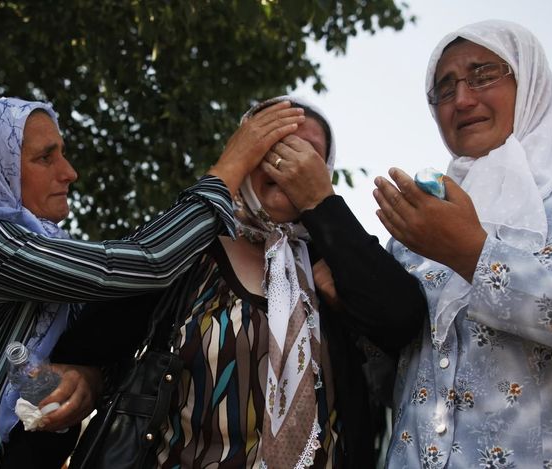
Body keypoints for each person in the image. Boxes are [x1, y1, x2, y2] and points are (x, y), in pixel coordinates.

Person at [0, 96, 304, 469]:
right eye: (46, 157)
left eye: (62, 153)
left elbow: (47, 361)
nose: (69, 172)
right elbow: (146, 263)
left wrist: (88, 381)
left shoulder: (48, 258)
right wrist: (231, 166)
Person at [53, 96, 426, 468]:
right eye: (274, 145)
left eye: (307, 154)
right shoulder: (191, 249)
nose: (289, 162)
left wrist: (322, 203)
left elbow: (403, 319)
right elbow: (91, 342)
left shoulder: (340, 259)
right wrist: (84, 379)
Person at [372, 20, 552, 468]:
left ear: (530, 81)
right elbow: (380, 377)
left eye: (483, 74)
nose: (462, 99)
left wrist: (472, 253)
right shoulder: (416, 231)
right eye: (444, 89)